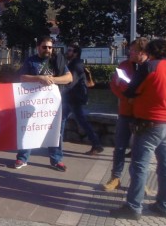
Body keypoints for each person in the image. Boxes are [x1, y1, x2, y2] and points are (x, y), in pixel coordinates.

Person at [109, 39, 166, 220]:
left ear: (151, 52)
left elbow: (130, 91)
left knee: (139, 165)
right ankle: (164, 205)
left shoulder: (150, 67)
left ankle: (133, 207)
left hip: (150, 122)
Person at [12, 36, 72, 171]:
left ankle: (56, 159)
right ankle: (22, 158)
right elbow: (22, 77)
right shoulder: (30, 61)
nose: (48, 49)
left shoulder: (58, 60)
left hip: (54, 105)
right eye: (44, 47)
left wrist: (52, 80)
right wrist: (40, 78)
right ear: (38, 47)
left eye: (50, 47)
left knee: (57, 132)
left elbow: (69, 78)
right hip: (33, 103)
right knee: (28, 130)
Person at [103, 37, 149, 191]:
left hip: (143, 114)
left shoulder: (151, 67)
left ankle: (139, 182)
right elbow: (114, 85)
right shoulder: (124, 65)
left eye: (134, 50)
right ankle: (115, 178)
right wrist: (125, 98)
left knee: (141, 150)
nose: (130, 52)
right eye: (131, 49)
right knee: (120, 146)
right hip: (125, 111)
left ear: (143, 52)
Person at [64, 44, 104, 156]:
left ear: (75, 53)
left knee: (80, 121)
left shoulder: (76, 64)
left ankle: (97, 144)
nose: (68, 52)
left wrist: (59, 91)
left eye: (70, 50)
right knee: (62, 119)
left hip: (74, 98)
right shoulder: (75, 63)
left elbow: (71, 83)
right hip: (72, 97)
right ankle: (55, 144)